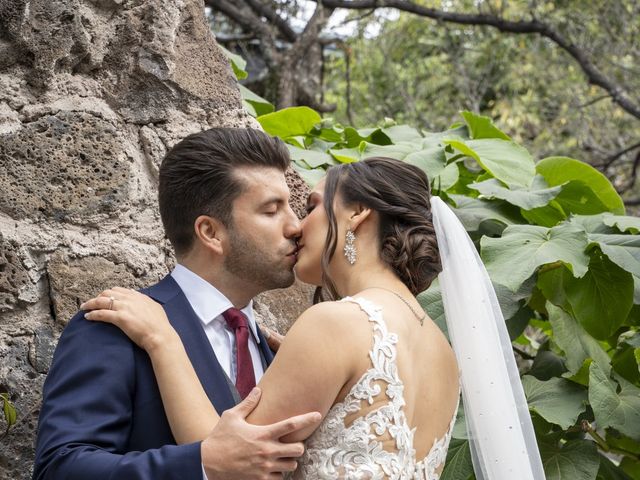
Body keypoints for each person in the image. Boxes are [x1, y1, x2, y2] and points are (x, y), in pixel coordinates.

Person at [81, 156, 466, 479]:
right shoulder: (445, 355)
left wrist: (162, 340)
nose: (299, 225)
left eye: (313, 205)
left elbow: (229, 461)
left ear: (358, 214)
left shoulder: (335, 324)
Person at [32, 128, 323, 480]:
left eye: (291, 207)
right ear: (211, 232)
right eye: (272, 210)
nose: (296, 226)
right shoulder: (115, 325)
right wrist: (201, 464)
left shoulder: (277, 350)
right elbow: (59, 469)